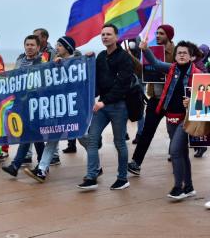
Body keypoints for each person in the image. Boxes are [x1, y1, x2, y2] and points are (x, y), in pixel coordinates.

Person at [77, 24, 134, 190]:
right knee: (92, 139)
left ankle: (122, 178)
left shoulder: (124, 58)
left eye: (109, 34)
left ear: (116, 37)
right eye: (102, 34)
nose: (105, 37)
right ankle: (91, 177)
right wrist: (86, 59)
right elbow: (93, 80)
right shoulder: (101, 56)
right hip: (102, 107)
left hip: (118, 106)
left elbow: (122, 85)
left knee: (119, 143)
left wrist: (104, 101)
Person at [23, 36, 77, 182]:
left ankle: (95, 167)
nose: (57, 48)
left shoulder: (77, 62)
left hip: (73, 108)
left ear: (67, 48)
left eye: (59, 45)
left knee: (85, 139)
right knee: (53, 139)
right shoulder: (57, 62)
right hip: (60, 108)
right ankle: (41, 170)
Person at [127, 24, 176, 176]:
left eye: (161, 33)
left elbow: (164, 67)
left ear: (169, 35)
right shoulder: (152, 51)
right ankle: (136, 163)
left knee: (173, 131)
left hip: (172, 99)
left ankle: (175, 156)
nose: (158, 35)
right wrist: (130, 56)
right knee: (147, 131)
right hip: (155, 98)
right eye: (157, 33)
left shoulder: (177, 52)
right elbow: (143, 71)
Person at [156, 41, 202, 200]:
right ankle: (189, 187)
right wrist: (145, 48)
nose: (181, 55)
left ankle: (178, 187)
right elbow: (154, 62)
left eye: (185, 53)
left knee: (174, 151)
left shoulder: (198, 74)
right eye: (179, 52)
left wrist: (192, 100)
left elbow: (205, 100)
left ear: (191, 56)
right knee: (182, 153)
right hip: (170, 117)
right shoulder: (171, 69)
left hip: (186, 120)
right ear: (175, 56)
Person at [1, 35, 45, 176]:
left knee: (29, 134)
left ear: (38, 47)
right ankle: (43, 164)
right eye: (27, 44)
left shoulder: (42, 61)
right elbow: (12, 77)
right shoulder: (20, 60)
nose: (29, 47)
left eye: (32, 45)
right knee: (34, 135)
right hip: (21, 103)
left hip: (35, 103)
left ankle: (16, 165)